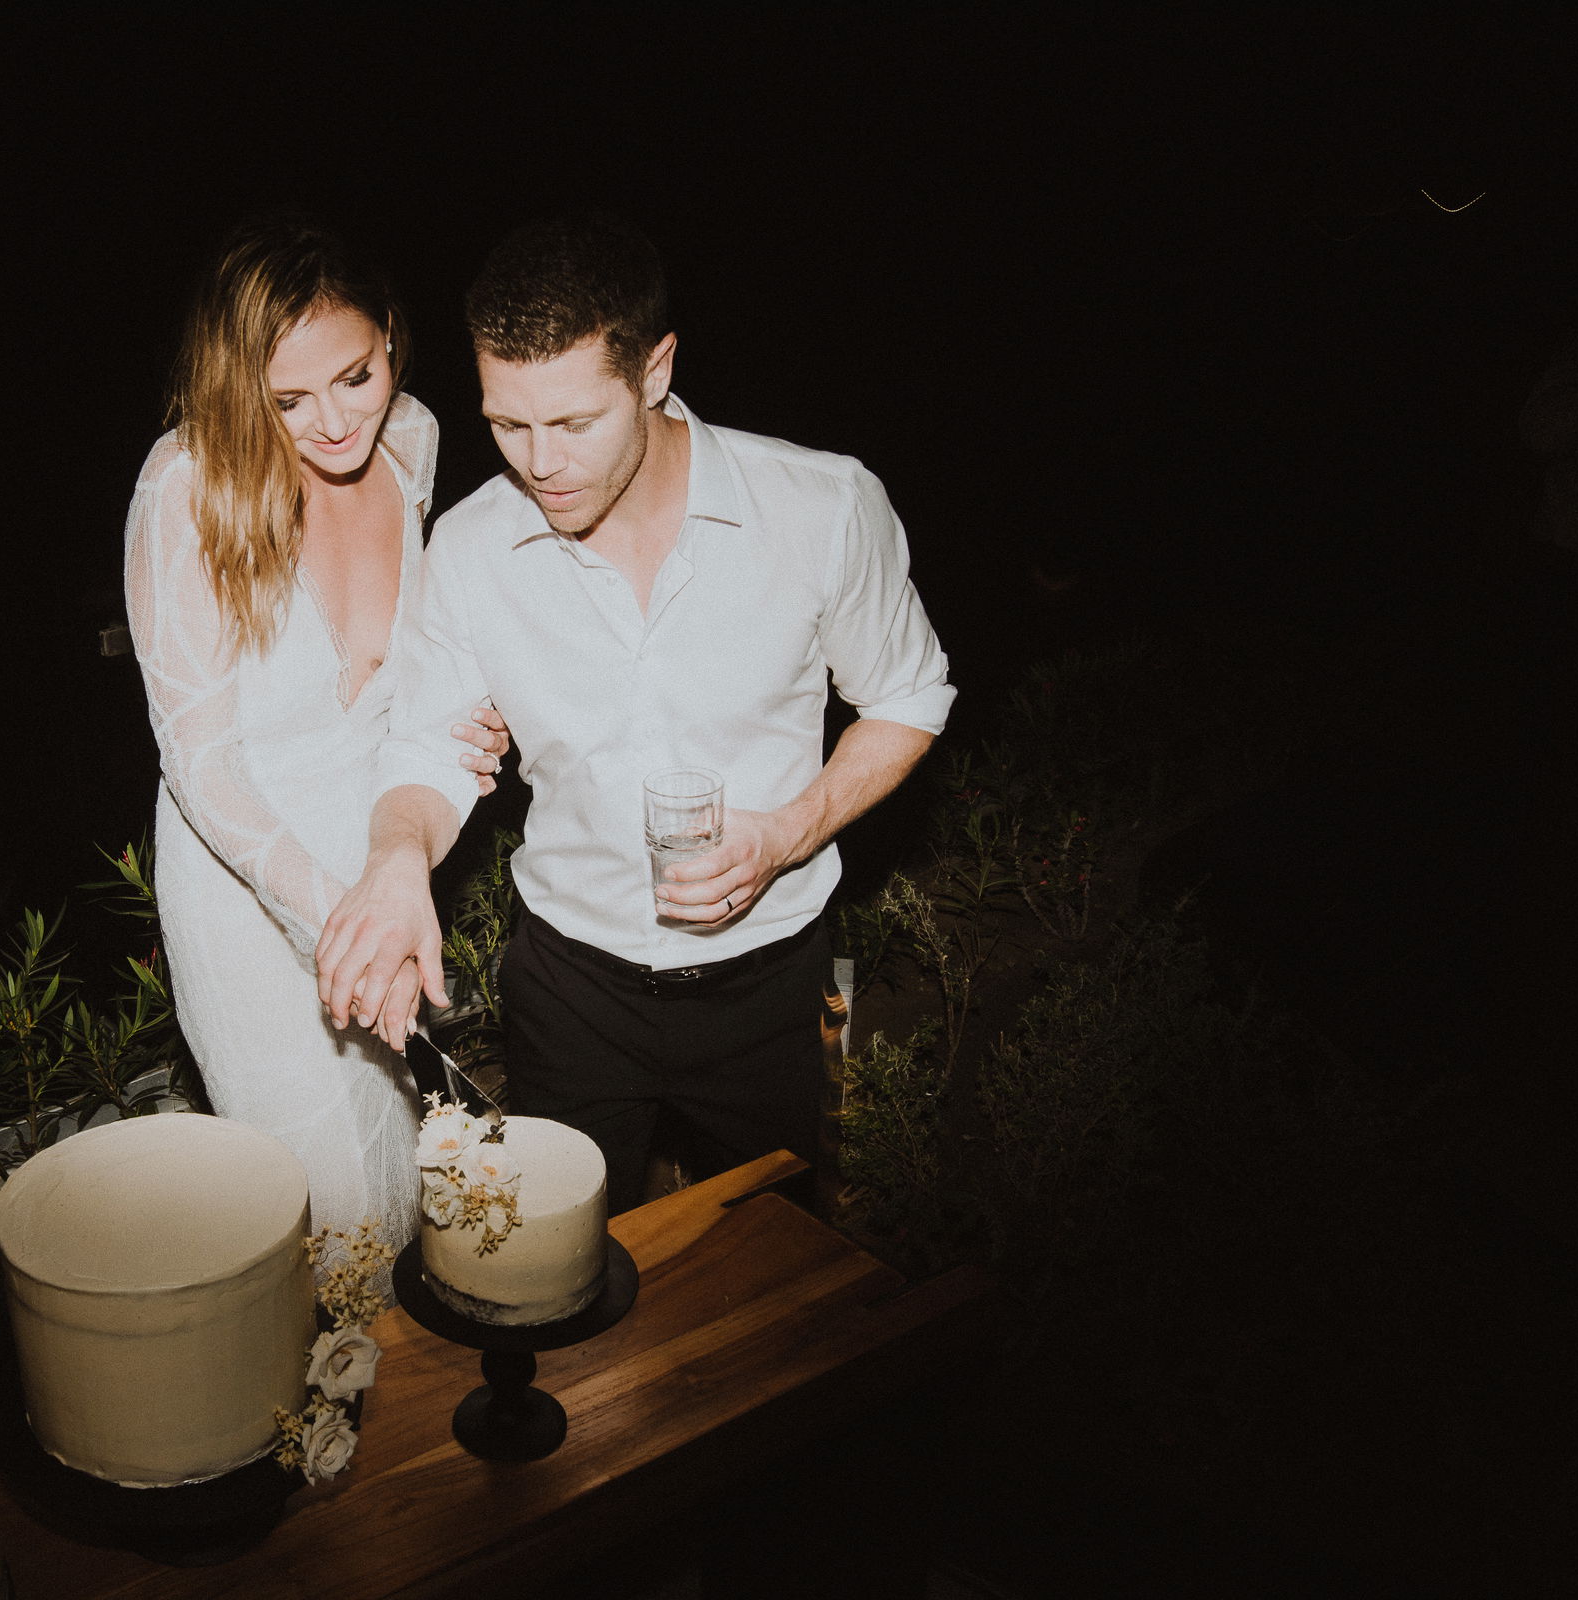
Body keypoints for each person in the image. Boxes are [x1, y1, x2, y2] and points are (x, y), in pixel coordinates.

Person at [315, 216, 955, 1212]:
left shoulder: (822, 506)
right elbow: (430, 746)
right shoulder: (473, 549)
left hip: (775, 981)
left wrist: (791, 832)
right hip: (568, 988)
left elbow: (908, 695)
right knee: (564, 1266)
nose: (540, 463)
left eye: (574, 423)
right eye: (508, 425)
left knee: (782, 1257)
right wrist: (398, 857)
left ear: (655, 371)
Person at [124, 217, 508, 1247]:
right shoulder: (187, 484)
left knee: (422, 1170)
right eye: (287, 400)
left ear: (390, 336)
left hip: (384, 845)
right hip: (249, 878)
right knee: (332, 1208)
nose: (335, 423)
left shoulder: (415, 436)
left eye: (355, 376)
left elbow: (408, 661)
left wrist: (462, 724)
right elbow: (200, 764)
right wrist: (344, 919)